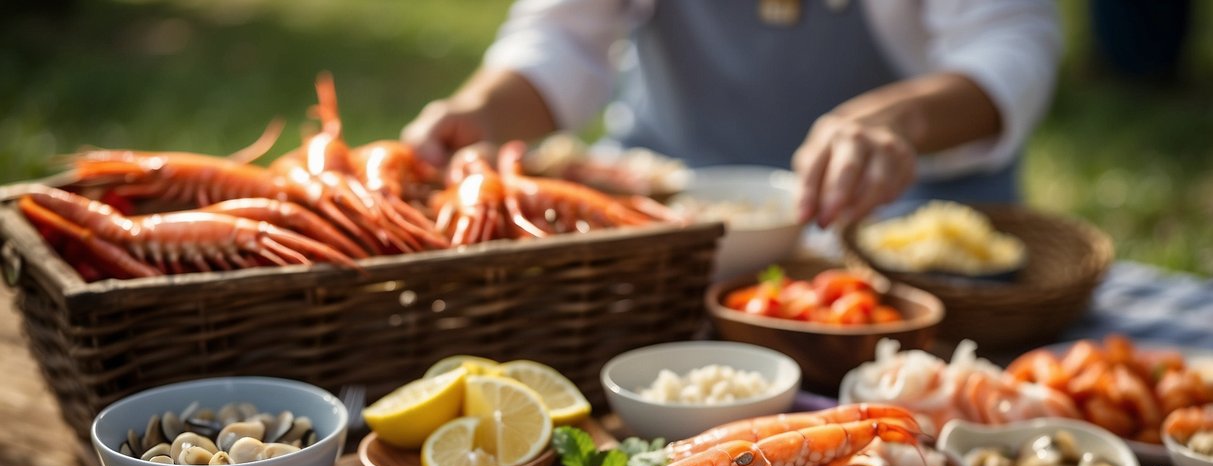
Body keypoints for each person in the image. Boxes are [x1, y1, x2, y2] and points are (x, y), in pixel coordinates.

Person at [403, 0, 1062, 228]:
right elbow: (560, 38)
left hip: (905, 215)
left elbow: (1012, 42)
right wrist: (481, 110)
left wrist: (902, 121)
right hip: (672, 211)